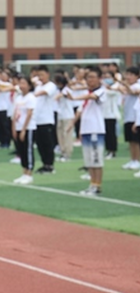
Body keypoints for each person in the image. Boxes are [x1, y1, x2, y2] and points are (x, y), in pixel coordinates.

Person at [66, 66, 106, 196]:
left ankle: (97, 186)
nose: (90, 80)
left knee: (96, 160)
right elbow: (80, 110)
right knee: (88, 160)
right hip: (86, 130)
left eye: (93, 77)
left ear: (99, 79)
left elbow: (92, 97)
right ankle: (92, 184)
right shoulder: (87, 94)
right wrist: (72, 123)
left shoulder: (101, 91)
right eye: (88, 77)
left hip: (96, 130)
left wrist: (74, 98)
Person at [32, 65, 58, 174]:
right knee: (40, 144)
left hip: (46, 120)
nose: (40, 77)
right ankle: (44, 164)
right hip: (37, 120)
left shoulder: (51, 85)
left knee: (48, 144)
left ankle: (50, 165)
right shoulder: (38, 86)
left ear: (48, 74)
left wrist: (33, 93)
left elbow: (44, 93)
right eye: (38, 75)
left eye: (42, 75)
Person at [12, 76, 37, 184]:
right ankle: (23, 173)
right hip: (18, 126)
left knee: (28, 150)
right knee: (21, 151)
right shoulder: (18, 98)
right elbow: (15, 113)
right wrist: (14, 127)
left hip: (28, 128)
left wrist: (23, 129)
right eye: (20, 83)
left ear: (29, 86)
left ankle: (29, 173)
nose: (21, 86)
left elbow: (29, 114)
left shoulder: (31, 97)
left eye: (24, 83)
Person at [54, 74, 75, 162]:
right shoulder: (59, 90)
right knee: (60, 135)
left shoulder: (66, 90)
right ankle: (63, 152)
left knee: (67, 135)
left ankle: (67, 154)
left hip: (68, 115)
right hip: (60, 115)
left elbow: (58, 96)